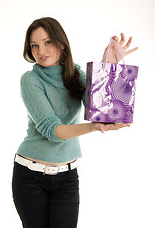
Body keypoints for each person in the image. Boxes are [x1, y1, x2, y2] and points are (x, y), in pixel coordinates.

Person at [12, 17, 138, 228]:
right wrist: (94, 127)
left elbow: (98, 104)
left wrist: (110, 64)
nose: (41, 50)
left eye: (47, 42)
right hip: (30, 177)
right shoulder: (30, 80)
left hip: (67, 177)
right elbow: (52, 131)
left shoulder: (75, 73)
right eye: (34, 45)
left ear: (61, 43)